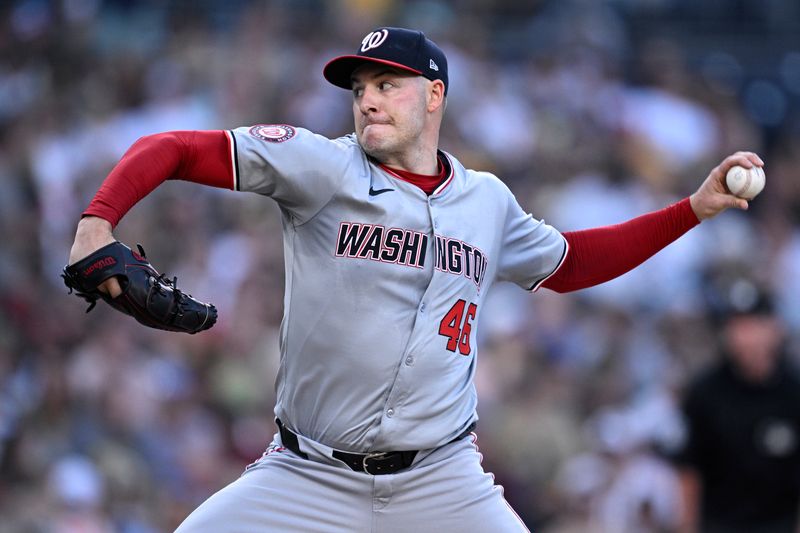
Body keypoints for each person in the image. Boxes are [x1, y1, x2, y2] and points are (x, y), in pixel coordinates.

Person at [67, 27, 763, 532]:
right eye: (360, 87)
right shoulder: (321, 168)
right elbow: (174, 148)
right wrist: (97, 222)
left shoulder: (486, 200)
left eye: (387, 84)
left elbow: (572, 264)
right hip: (308, 473)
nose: (368, 99)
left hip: (443, 478)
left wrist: (693, 209)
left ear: (434, 95)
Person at [674, 280, 800, 533]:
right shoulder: (706, 392)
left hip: (779, 525)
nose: (744, 336)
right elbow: (690, 469)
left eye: (753, 324)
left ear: (774, 328)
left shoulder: (794, 391)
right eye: (736, 326)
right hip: (720, 524)